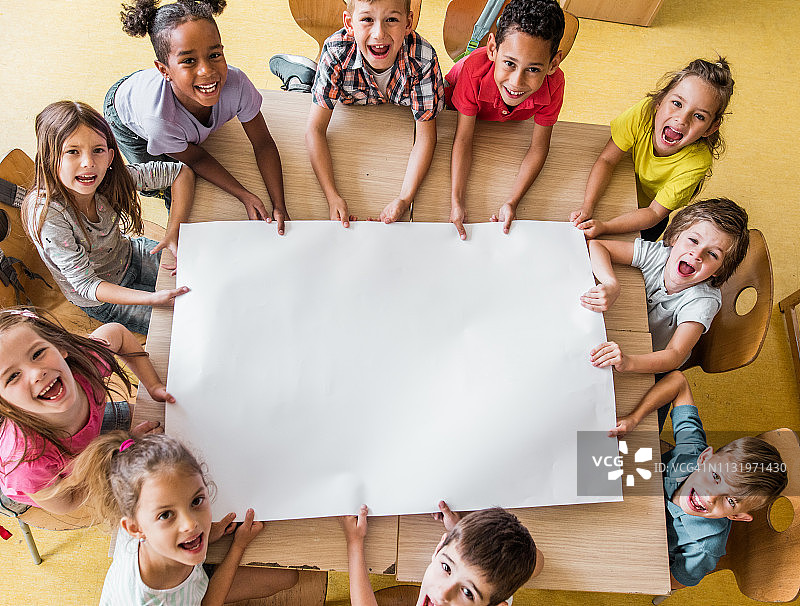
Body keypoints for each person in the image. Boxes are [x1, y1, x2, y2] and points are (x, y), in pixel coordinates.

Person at [47, 431, 298, 604]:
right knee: (288, 578)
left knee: (289, 576)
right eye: (166, 514)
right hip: (187, 596)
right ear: (135, 529)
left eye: (196, 501)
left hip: (190, 580)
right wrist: (238, 547)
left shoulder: (145, 521)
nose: (191, 523)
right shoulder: (154, 600)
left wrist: (209, 535)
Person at [108, 0, 289, 231]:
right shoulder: (159, 122)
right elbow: (197, 159)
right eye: (189, 61)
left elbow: (263, 143)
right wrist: (243, 194)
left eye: (214, 54)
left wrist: (279, 205)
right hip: (123, 113)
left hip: (153, 88)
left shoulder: (238, 84)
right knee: (163, 184)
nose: (207, 71)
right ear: (164, 70)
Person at [22, 101, 191, 336]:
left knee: (203, 277)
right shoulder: (49, 215)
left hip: (130, 255)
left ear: (110, 157)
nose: (88, 162)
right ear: (51, 158)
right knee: (187, 323)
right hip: (102, 299)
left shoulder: (109, 178)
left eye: (98, 150)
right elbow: (87, 285)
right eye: (73, 151)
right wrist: (152, 298)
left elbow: (181, 172)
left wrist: (173, 232)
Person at [609, 371, 787, 589]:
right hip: (625, 491)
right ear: (704, 458)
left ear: (738, 515)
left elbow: (674, 581)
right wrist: (634, 418)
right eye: (715, 476)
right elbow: (678, 382)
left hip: (632, 543)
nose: (709, 497)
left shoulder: (704, 548)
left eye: (730, 501)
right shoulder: (692, 452)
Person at [581, 198, 749, 428]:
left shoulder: (703, 301)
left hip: (652, 364)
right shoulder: (661, 254)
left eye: (713, 254)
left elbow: (675, 355)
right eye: (692, 240)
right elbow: (597, 247)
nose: (696, 254)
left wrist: (629, 362)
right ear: (675, 237)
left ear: (720, 271)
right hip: (627, 334)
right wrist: (611, 284)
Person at [0, 308, 169, 514]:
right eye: (12, 376)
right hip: (54, 482)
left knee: (163, 421)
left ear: (60, 346)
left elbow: (118, 334)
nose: (37, 373)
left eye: (38, 353)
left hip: (93, 429)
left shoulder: (85, 365)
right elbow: (67, 503)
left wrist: (153, 386)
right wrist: (116, 458)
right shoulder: (27, 462)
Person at [306, 0, 445, 226]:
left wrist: (405, 197)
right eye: (367, 20)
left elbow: (426, 136)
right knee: (308, 90)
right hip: (351, 106)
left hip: (396, 112)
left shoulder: (424, 58)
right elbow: (314, 129)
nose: (379, 34)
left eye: (391, 20)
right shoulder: (335, 50)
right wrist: (332, 196)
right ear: (349, 23)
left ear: (408, 23)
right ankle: (302, 79)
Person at [570, 58, 734, 241]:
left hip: (650, 216)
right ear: (659, 100)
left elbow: (655, 213)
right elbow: (607, 160)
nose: (682, 119)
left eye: (698, 116)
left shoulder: (697, 163)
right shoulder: (643, 112)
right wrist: (588, 206)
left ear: (711, 128)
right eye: (677, 104)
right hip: (624, 191)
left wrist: (604, 227)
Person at [446, 0, 565, 239]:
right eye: (509, 63)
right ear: (492, 49)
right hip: (452, 112)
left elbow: (539, 147)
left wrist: (512, 201)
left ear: (553, 64)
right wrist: (456, 201)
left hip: (505, 128)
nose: (517, 82)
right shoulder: (472, 70)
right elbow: (463, 138)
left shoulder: (555, 84)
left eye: (533, 69)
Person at [342, 501, 543, 606]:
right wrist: (464, 532)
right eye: (446, 567)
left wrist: (354, 543)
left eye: (467, 593)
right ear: (439, 548)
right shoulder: (495, 583)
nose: (443, 592)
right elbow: (537, 562)